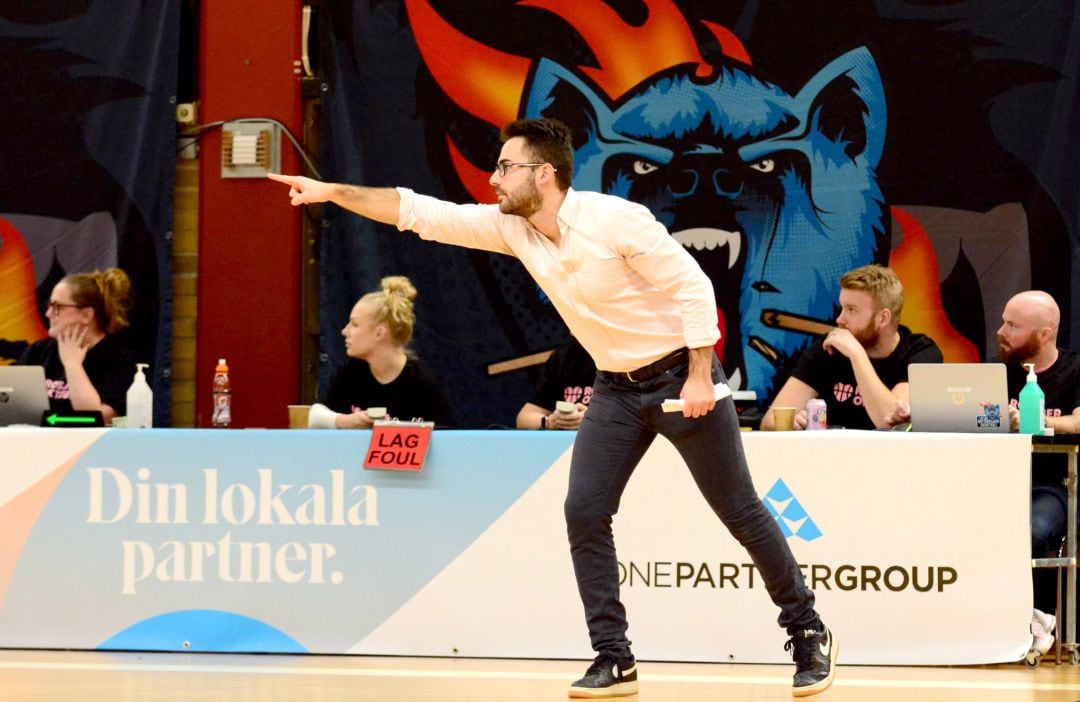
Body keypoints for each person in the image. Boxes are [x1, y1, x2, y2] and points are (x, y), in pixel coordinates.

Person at [269, 118, 836, 698]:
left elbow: (694, 289)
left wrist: (697, 375)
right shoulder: (512, 228)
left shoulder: (614, 221)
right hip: (615, 388)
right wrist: (335, 191)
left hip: (679, 379)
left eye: (504, 167)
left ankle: (808, 630)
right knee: (584, 511)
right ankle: (614, 658)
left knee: (739, 510)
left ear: (544, 174)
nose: (492, 179)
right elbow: (419, 211)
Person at [996, 290, 1080, 653]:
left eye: (1012, 325)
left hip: (1052, 484)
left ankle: (1035, 617)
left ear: (1045, 333)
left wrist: (1034, 420)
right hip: (993, 480)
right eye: (1003, 321)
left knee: (1035, 530)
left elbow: (1078, 421)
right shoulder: (993, 372)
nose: (1001, 331)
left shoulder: (1074, 370)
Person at [762, 264, 942, 430]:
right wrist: (789, 423)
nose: (840, 319)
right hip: (833, 458)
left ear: (883, 318)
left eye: (851, 310)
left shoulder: (920, 353)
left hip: (891, 460)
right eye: (842, 308)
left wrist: (856, 354)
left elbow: (888, 419)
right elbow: (769, 421)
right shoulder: (828, 349)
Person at [307, 275, 453, 429]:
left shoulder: (422, 385)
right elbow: (315, 416)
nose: (344, 331)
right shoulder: (350, 375)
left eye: (355, 324)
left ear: (379, 333)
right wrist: (344, 421)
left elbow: (448, 437)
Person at [16, 268, 136, 424]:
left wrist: (73, 365)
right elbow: (12, 405)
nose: (48, 314)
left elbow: (94, 417)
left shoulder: (117, 358)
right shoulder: (39, 351)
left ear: (86, 315)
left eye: (57, 307)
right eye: (49, 306)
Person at [516, 336, 595, 430]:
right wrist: (550, 421)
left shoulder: (615, 361)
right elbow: (523, 419)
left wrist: (594, 421)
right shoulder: (564, 357)